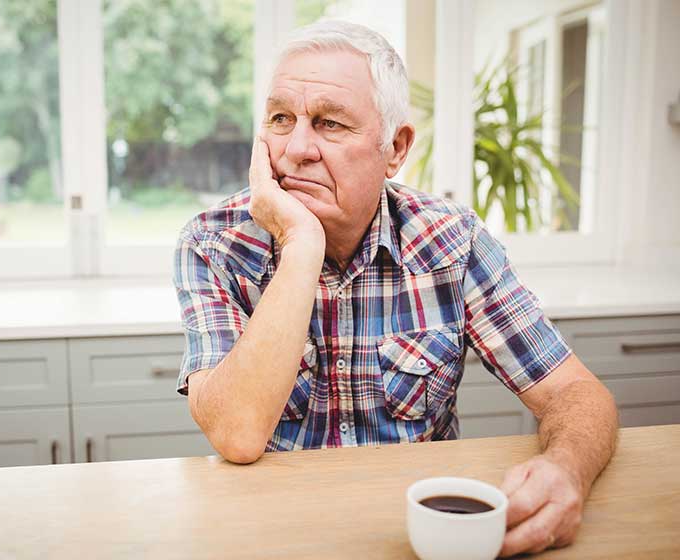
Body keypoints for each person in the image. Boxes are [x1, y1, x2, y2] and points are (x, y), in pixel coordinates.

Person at [172, 20, 618, 557]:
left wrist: (566, 470)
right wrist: (301, 243)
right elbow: (236, 434)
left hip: (418, 536)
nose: (296, 149)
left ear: (395, 148)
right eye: (280, 119)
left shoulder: (452, 242)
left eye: (330, 124)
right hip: (274, 532)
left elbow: (576, 393)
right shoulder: (214, 243)